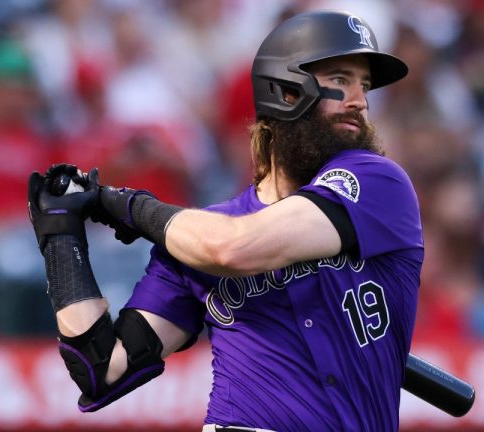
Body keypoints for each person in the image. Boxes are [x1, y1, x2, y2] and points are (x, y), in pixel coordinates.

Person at [27, 10, 422, 431]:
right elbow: (104, 369)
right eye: (340, 80)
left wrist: (125, 204)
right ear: (286, 91)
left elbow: (232, 248)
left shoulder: (378, 183)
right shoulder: (198, 235)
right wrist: (60, 239)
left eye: (363, 85)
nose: (360, 100)